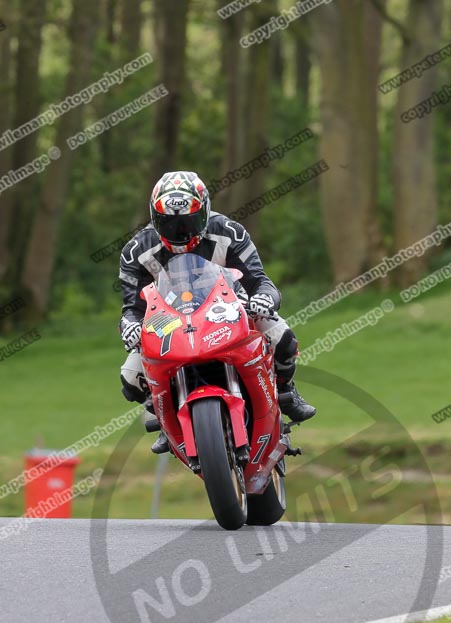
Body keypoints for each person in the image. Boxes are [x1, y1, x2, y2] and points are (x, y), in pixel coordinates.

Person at [119, 170, 316, 454]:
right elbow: (132, 308)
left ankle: (285, 391)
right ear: (154, 218)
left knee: (283, 338)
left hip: (229, 307)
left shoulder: (229, 232)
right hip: (167, 322)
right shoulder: (136, 251)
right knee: (129, 378)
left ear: (205, 212)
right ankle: (164, 417)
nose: (179, 232)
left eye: (188, 222)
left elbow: (261, 281)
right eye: (169, 224)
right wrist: (129, 326)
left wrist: (263, 299)